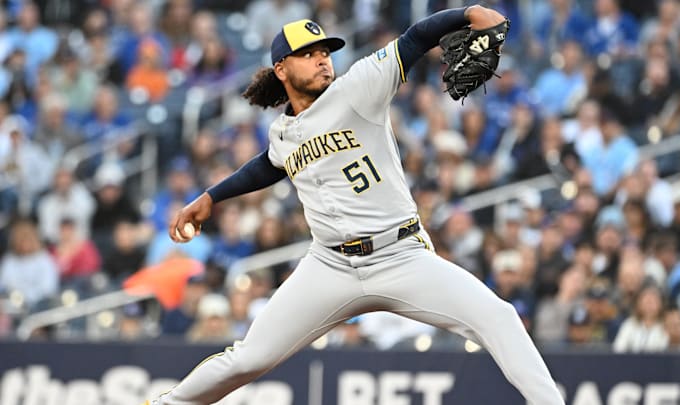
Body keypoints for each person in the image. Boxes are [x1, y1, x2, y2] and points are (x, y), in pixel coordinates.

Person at [151, 7, 564, 405]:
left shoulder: (358, 87)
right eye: (308, 54)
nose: (321, 60)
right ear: (281, 69)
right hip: (329, 267)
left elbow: (416, 38)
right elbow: (268, 164)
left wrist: (467, 13)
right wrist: (212, 197)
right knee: (248, 358)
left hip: (399, 256)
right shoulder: (283, 131)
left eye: (325, 52)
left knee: (498, 316)